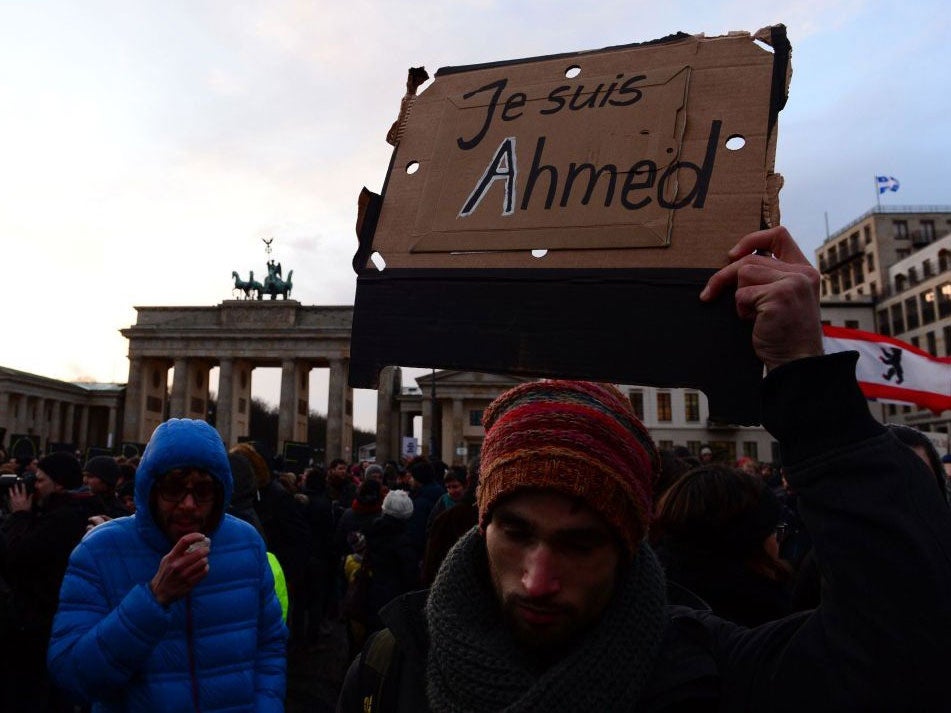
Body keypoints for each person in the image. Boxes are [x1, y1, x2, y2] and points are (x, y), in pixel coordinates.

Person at [337, 226, 951, 712]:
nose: (538, 580)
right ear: (482, 521)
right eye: (517, 531)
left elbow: (902, 648)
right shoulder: (389, 665)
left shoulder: (711, 674)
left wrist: (806, 377)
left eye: (580, 543)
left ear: (632, 540)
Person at [47, 418, 287, 711]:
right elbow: (73, 676)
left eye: (203, 490)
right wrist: (153, 599)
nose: (188, 504)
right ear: (150, 489)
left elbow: (270, 645)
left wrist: (266, 707)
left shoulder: (246, 543)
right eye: (173, 488)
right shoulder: (99, 551)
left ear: (221, 493)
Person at [0, 451, 105, 713]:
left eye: (39, 480)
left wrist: (20, 516)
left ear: (58, 484)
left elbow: (16, 557)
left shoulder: (63, 518)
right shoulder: (77, 508)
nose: (33, 486)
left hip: (38, 625)